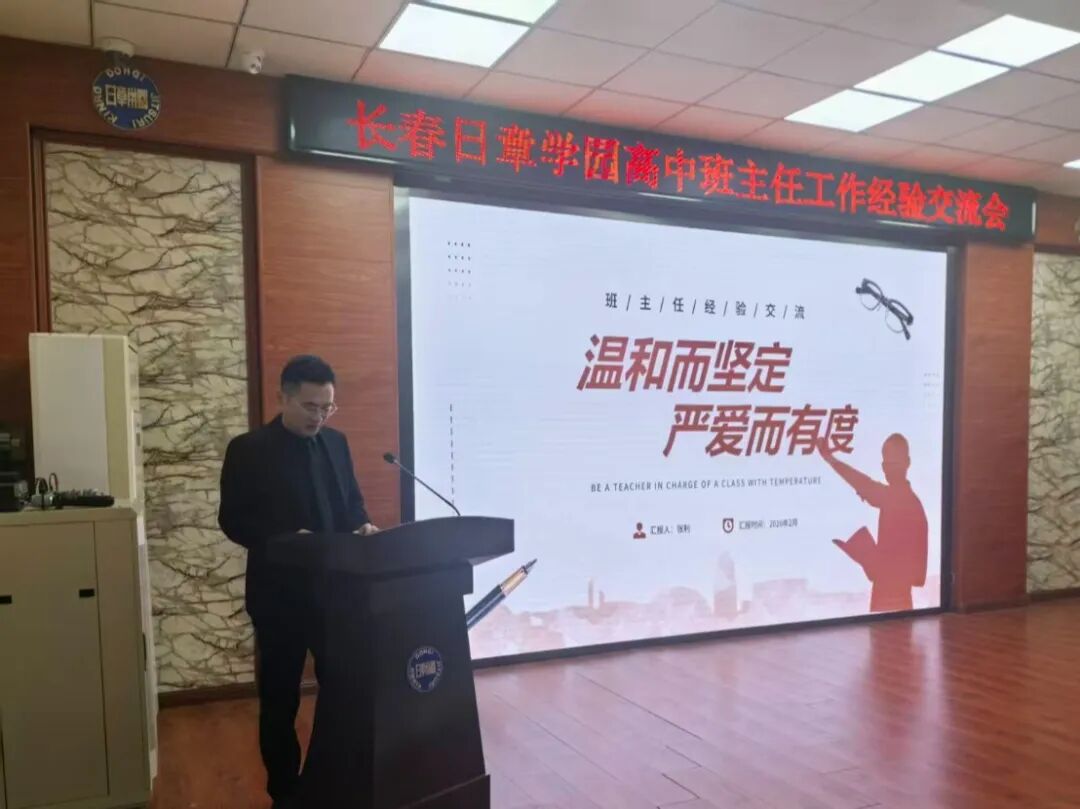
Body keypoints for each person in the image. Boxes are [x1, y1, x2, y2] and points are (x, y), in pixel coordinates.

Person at [218, 355, 378, 808]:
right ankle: (285, 793)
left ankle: (337, 780)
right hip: (280, 599)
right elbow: (233, 520)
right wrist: (286, 540)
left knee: (345, 692)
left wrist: (363, 525)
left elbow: (351, 504)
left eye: (327, 407)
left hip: (338, 595)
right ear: (282, 397)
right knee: (280, 701)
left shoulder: (336, 443)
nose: (319, 416)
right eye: (310, 406)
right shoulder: (249, 449)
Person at [816, 434, 928, 613]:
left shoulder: (900, 499)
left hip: (892, 598)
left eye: (894, 464)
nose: (888, 470)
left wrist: (865, 554)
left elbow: (864, 484)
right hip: (892, 595)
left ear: (907, 463)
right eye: (886, 465)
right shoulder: (907, 501)